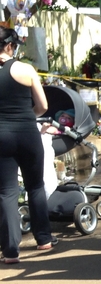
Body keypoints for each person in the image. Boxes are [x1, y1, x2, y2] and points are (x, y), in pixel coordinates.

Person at [0, 28, 58, 263]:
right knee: (35, 186)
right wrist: (27, 115)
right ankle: (43, 239)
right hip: (27, 133)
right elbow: (43, 105)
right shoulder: (25, 69)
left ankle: (11, 251)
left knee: (6, 192)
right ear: (11, 46)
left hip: (1, 135)